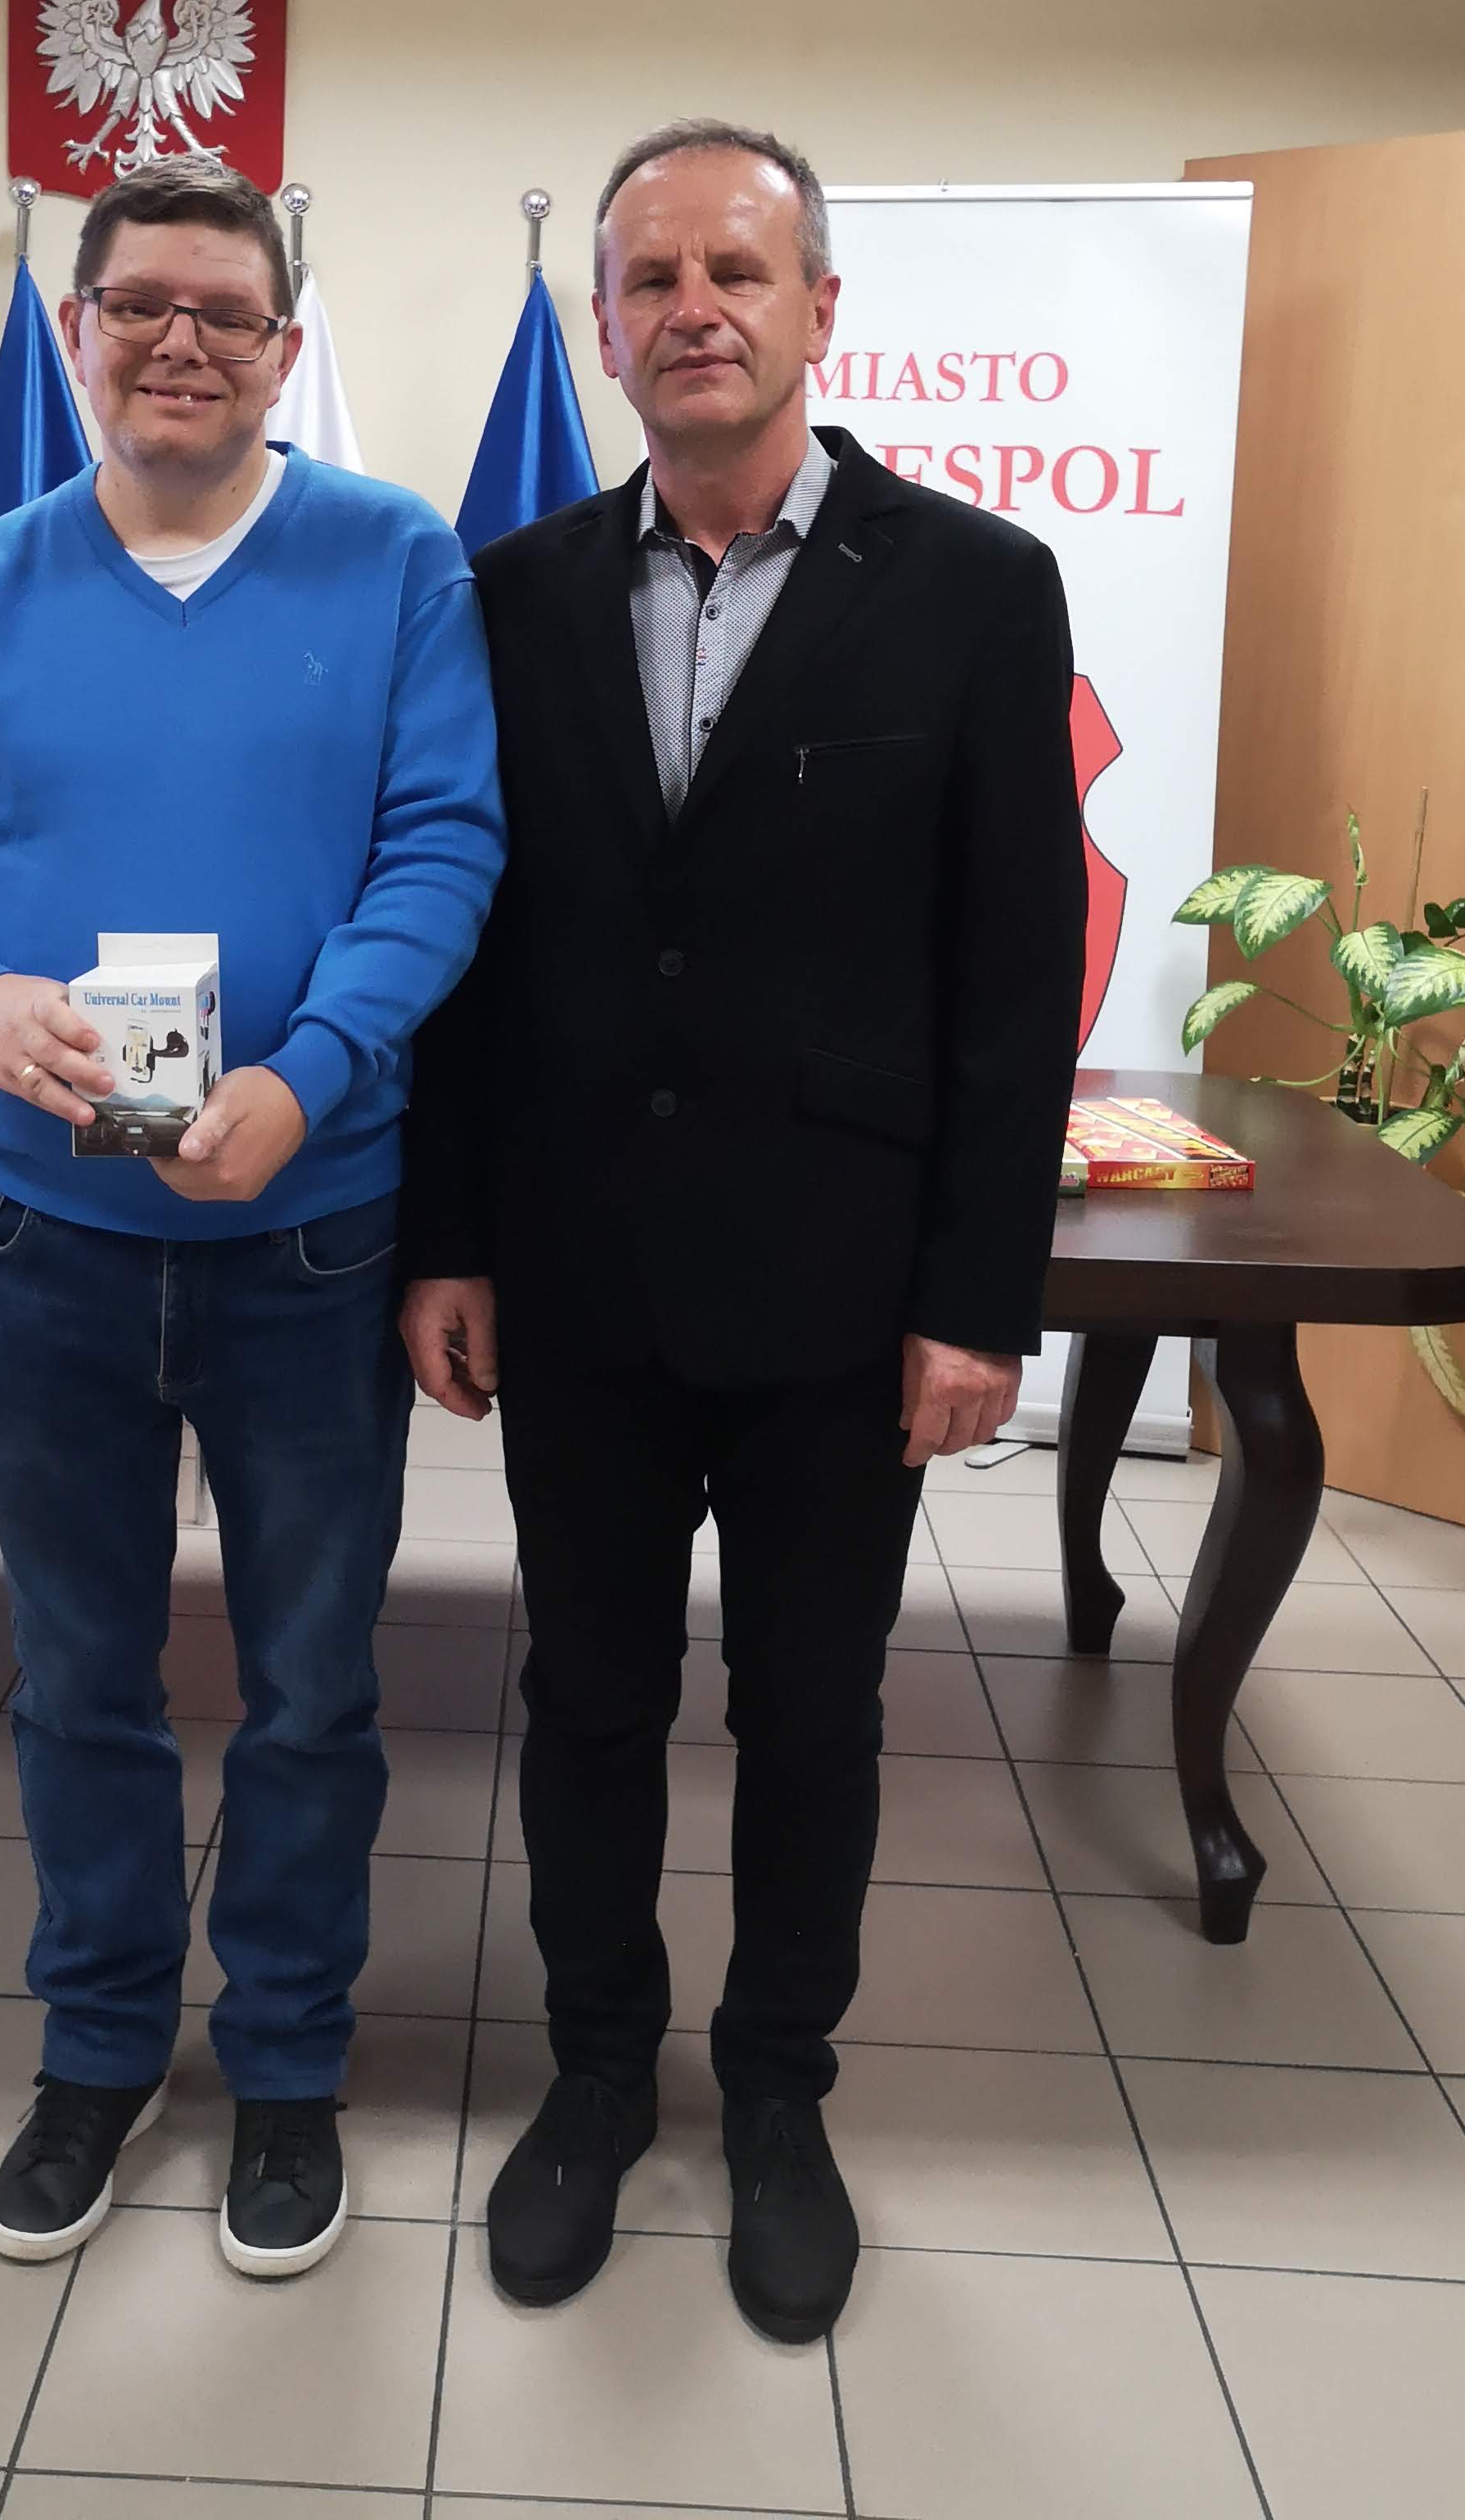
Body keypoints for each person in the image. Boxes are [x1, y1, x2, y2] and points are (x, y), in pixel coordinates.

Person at [400, 121, 1087, 2343]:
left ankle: (779, 2092)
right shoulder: (509, 595)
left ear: (818, 312)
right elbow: (465, 952)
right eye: (652, 277)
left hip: (842, 1293)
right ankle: (599, 2073)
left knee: (813, 1712)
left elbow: (1015, 983)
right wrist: (447, 1240)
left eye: (738, 270)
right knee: (590, 1701)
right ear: (606, 328)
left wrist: (979, 1299)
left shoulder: (976, 587)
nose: (694, 306)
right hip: (580, 1279)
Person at [0, 160, 504, 2281]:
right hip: (47, 1239)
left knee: (310, 1686)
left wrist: (313, 1072)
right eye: (139, 307)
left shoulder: (396, 562)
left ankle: (286, 2063)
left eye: (226, 311)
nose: (180, 344)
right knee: (78, 1678)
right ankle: (101, 2047)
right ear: (79, 331)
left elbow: (445, 851)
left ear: (286, 348)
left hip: (313, 1233)